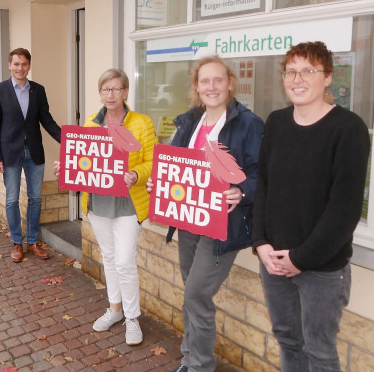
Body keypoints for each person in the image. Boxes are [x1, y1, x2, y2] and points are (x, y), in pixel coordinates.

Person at [252, 41, 370, 371]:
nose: (297, 79)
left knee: (319, 352)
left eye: (308, 71)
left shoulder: (348, 129)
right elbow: (265, 184)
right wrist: (260, 243)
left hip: (321, 268)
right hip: (273, 261)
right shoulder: (275, 122)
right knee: (288, 341)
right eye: (291, 72)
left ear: (328, 77)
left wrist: (300, 258)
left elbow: (344, 209)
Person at [150, 55, 264, 372]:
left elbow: (261, 174)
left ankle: (200, 365)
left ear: (229, 84)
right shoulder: (189, 122)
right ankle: (189, 358)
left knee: (197, 294)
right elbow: (175, 168)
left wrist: (242, 192)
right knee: (191, 293)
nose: (211, 86)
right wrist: (158, 185)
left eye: (218, 80)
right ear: (196, 87)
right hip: (189, 221)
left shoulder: (248, 124)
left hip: (222, 225)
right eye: (205, 81)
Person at [57, 68, 157, 346]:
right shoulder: (91, 123)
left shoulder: (142, 123)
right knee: (110, 257)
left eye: (116, 89)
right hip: (98, 202)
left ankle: (132, 317)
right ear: (100, 93)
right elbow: (84, 159)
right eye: (105, 89)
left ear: (125, 92)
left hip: (127, 204)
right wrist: (66, 166)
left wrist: (136, 174)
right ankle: (115, 309)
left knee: (125, 262)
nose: (110, 94)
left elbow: (153, 161)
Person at [0, 48, 61, 262]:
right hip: (9, 152)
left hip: (34, 152)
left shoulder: (38, 90)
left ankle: (32, 242)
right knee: (12, 199)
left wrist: (69, 141)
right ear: (10, 65)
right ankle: (17, 244)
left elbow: (46, 120)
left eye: (24, 64)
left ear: (29, 65)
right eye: (16, 64)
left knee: (35, 198)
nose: (20, 68)